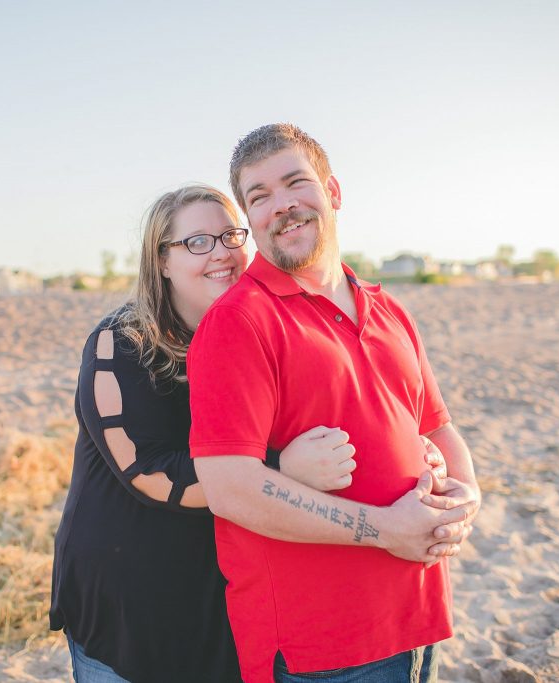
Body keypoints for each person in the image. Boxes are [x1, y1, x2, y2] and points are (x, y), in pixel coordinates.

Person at [49, 184, 449, 683]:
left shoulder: (251, 328)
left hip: (219, 584)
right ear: (162, 261)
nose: (221, 253)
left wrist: (416, 450)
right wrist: (281, 468)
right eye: (197, 242)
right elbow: (148, 473)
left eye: (230, 236)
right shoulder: (121, 343)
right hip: (129, 584)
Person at [188, 124, 482, 683]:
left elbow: (438, 427)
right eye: (260, 196)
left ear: (333, 192)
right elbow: (228, 486)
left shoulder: (388, 307)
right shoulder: (239, 321)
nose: (283, 206)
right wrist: (384, 529)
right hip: (320, 648)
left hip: (419, 616)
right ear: (250, 220)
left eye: (295, 183)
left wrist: (467, 496)